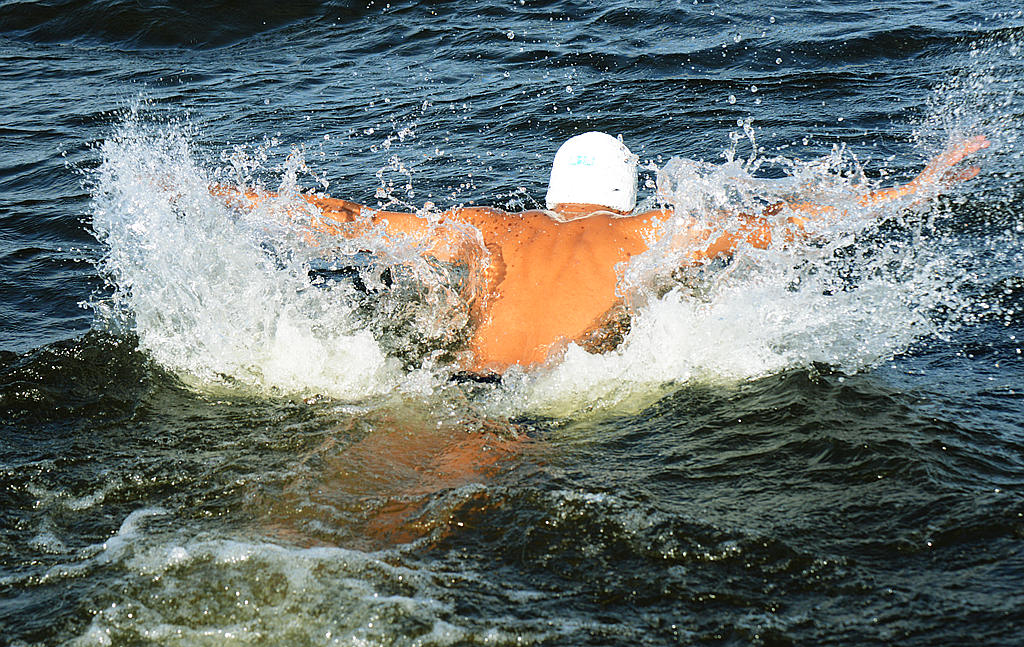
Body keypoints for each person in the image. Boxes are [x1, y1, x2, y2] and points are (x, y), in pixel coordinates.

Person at [219, 131, 989, 376]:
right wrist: (906, 193)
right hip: (536, 409)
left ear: (553, 191)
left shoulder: (492, 230)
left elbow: (353, 219)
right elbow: (775, 223)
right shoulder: (647, 233)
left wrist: (231, 199)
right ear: (627, 193)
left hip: (454, 383)